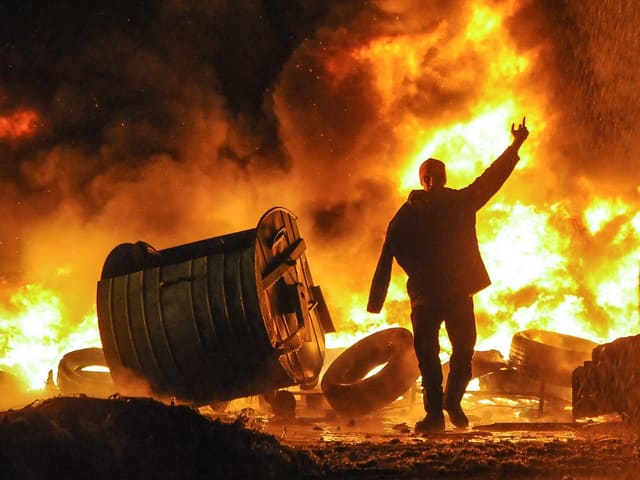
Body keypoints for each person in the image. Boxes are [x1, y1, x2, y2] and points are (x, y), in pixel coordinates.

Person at [367, 118, 529, 433]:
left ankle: (445, 407)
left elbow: (491, 179)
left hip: (441, 296)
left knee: (448, 353)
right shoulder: (436, 208)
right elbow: (386, 258)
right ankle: (442, 409)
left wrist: (515, 147)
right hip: (441, 296)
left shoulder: (435, 208)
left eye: (436, 175)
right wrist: (515, 145)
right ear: (427, 179)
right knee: (444, 354)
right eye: (432, 175)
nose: (435, 180)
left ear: (435, 179)